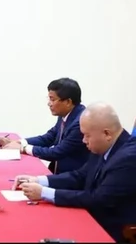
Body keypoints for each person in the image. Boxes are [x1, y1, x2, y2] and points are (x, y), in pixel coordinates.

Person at [12, 102, 136, 242]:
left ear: (106, 133)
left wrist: (44, 193)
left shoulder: (128, 157)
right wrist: (39, 180)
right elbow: (80, 176)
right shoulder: (105, 145)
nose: (84, 141)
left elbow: (99, 199)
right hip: (92, 214)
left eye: (87, 135)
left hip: (113, 227)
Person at [0, 78, 89, 174]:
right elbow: (49, 137)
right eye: (49, 99)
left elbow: (57, 152)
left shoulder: (80, 122)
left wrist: (23, 148)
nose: (49, 103)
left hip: (72, 179)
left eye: (52, 99)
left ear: (68, 102)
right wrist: (17, 142)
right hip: (58, 174)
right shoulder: (66, 114)